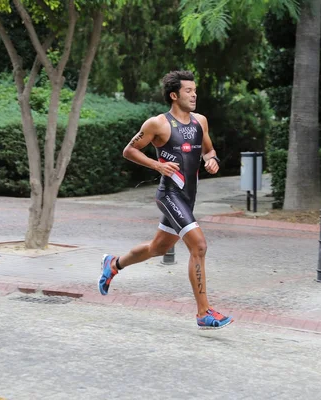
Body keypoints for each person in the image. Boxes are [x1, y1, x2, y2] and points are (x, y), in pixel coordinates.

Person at [98, 70, 233, 330]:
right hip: (169, 195)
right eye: (188, 91)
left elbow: (209, 149)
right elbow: (129, 150)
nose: (194, 95)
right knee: (199, 246)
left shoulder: (200, 122)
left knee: (157, 248)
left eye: (195, 90)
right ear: (174, 95)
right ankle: (204, 312)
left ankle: (113, 263)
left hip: (188, 197)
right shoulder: (157, 124)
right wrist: (157, 166)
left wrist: (211, 160)